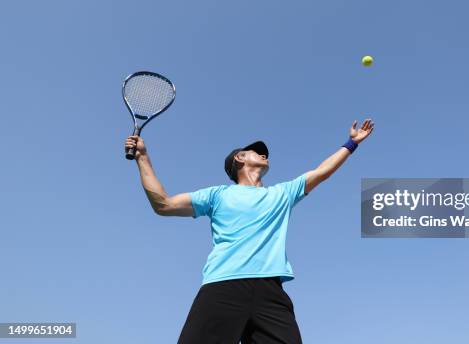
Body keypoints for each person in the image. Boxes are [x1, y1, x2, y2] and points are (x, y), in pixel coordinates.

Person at [124, 118, 375, 343]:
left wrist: (351, 144)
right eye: (256, 151)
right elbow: (164, 204)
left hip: (271, 293)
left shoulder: (281, 194)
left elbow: (322, 172)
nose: (264, 154)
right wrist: (143, 158)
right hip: (223, 286)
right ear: (239, 158)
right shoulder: (217, 195)